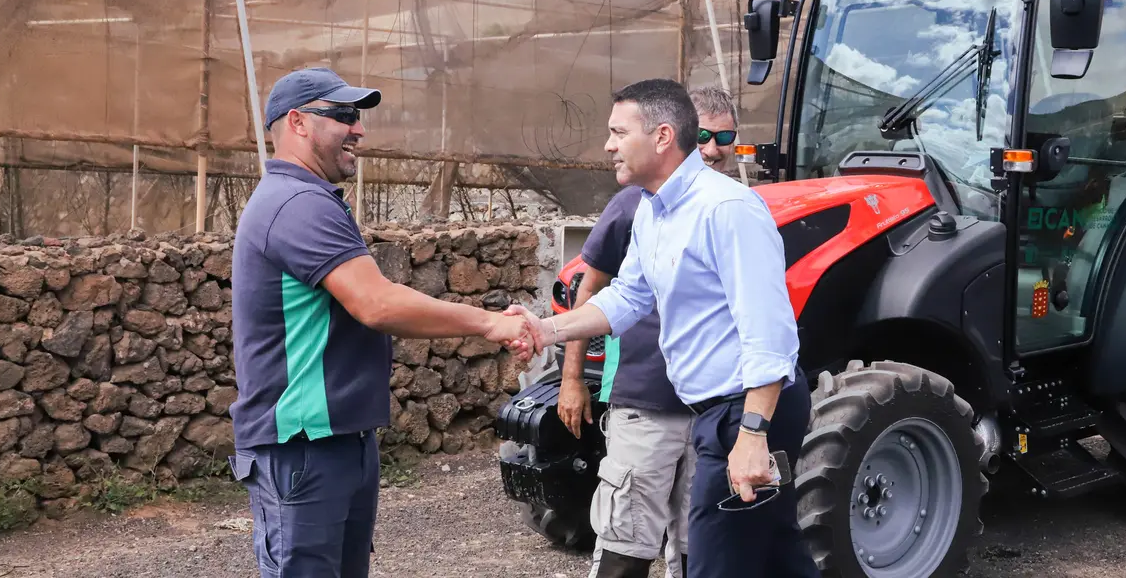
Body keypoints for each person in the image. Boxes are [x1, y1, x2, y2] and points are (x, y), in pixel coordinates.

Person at [228, 67, 532, 578]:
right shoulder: (297, 203)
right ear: (298, 123)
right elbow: (377, 303)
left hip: (334, 441)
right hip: (303, 446)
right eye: (343, 115)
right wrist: (487, 323)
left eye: (359, 116)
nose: (359, 129)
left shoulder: (308, 198)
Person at [507, 78, 817, 578]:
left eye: (617, 131)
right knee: (779, 555)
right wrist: (546, 329)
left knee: (715, 563)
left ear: (662, 137)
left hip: (748, 410)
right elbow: (627, 298)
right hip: (718, 408)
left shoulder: (727, 209)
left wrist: (753, 434)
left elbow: (771, 335)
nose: (608, 145)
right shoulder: (653, 210)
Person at [558, 84, 741, 578]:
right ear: (674, 135)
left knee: (699, 544)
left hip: (713, 410)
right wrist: (571, 378)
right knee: (627, 538)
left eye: (725, 135)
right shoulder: (634, 206)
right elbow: (594, 290)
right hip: (645, 402)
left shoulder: (734, 207)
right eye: (702, 133)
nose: (713, 147)